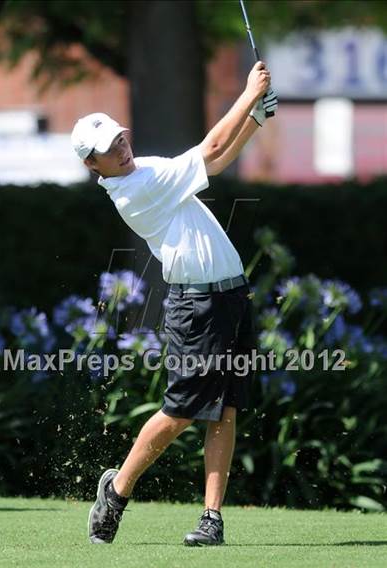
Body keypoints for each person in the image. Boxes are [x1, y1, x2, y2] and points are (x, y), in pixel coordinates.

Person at [71, 61, 278, 546]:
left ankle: (211, 520)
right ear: (92, 166)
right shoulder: (133, 189)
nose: (120, 149)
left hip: (231, 296)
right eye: (107, 150)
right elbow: (208, 147)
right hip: (196, 307)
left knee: (225, 409)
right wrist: (248, 94)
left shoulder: (149, 169)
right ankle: (116, 492)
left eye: (119, 139)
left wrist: (256, 120)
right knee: (182, 410)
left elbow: (215, 163)